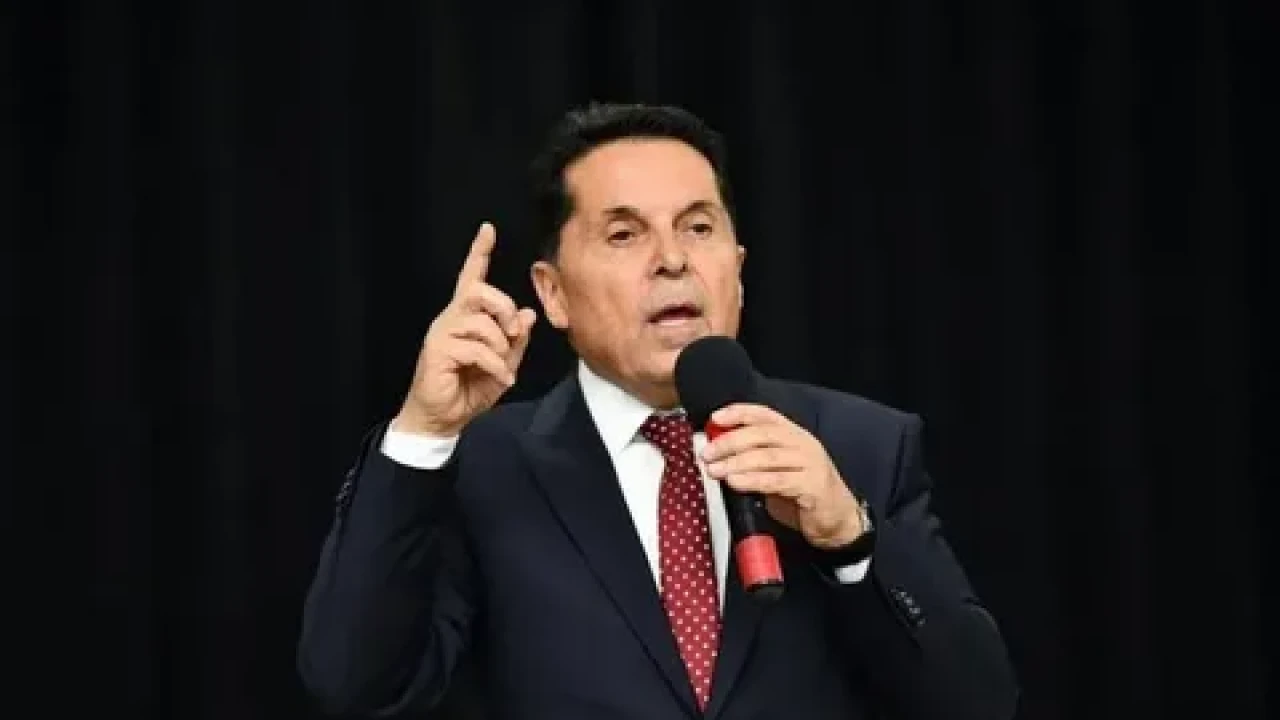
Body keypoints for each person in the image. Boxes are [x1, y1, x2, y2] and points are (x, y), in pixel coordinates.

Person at [296, 102, 1018, 719]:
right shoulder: (483, 469)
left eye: (698, 228)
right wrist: (423, 433)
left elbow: (979, 704)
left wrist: (848, 541)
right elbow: (354, 683)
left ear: (738, 268)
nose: (673, 260)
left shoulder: (859, 447)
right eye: (625, 234)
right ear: (552, 294)